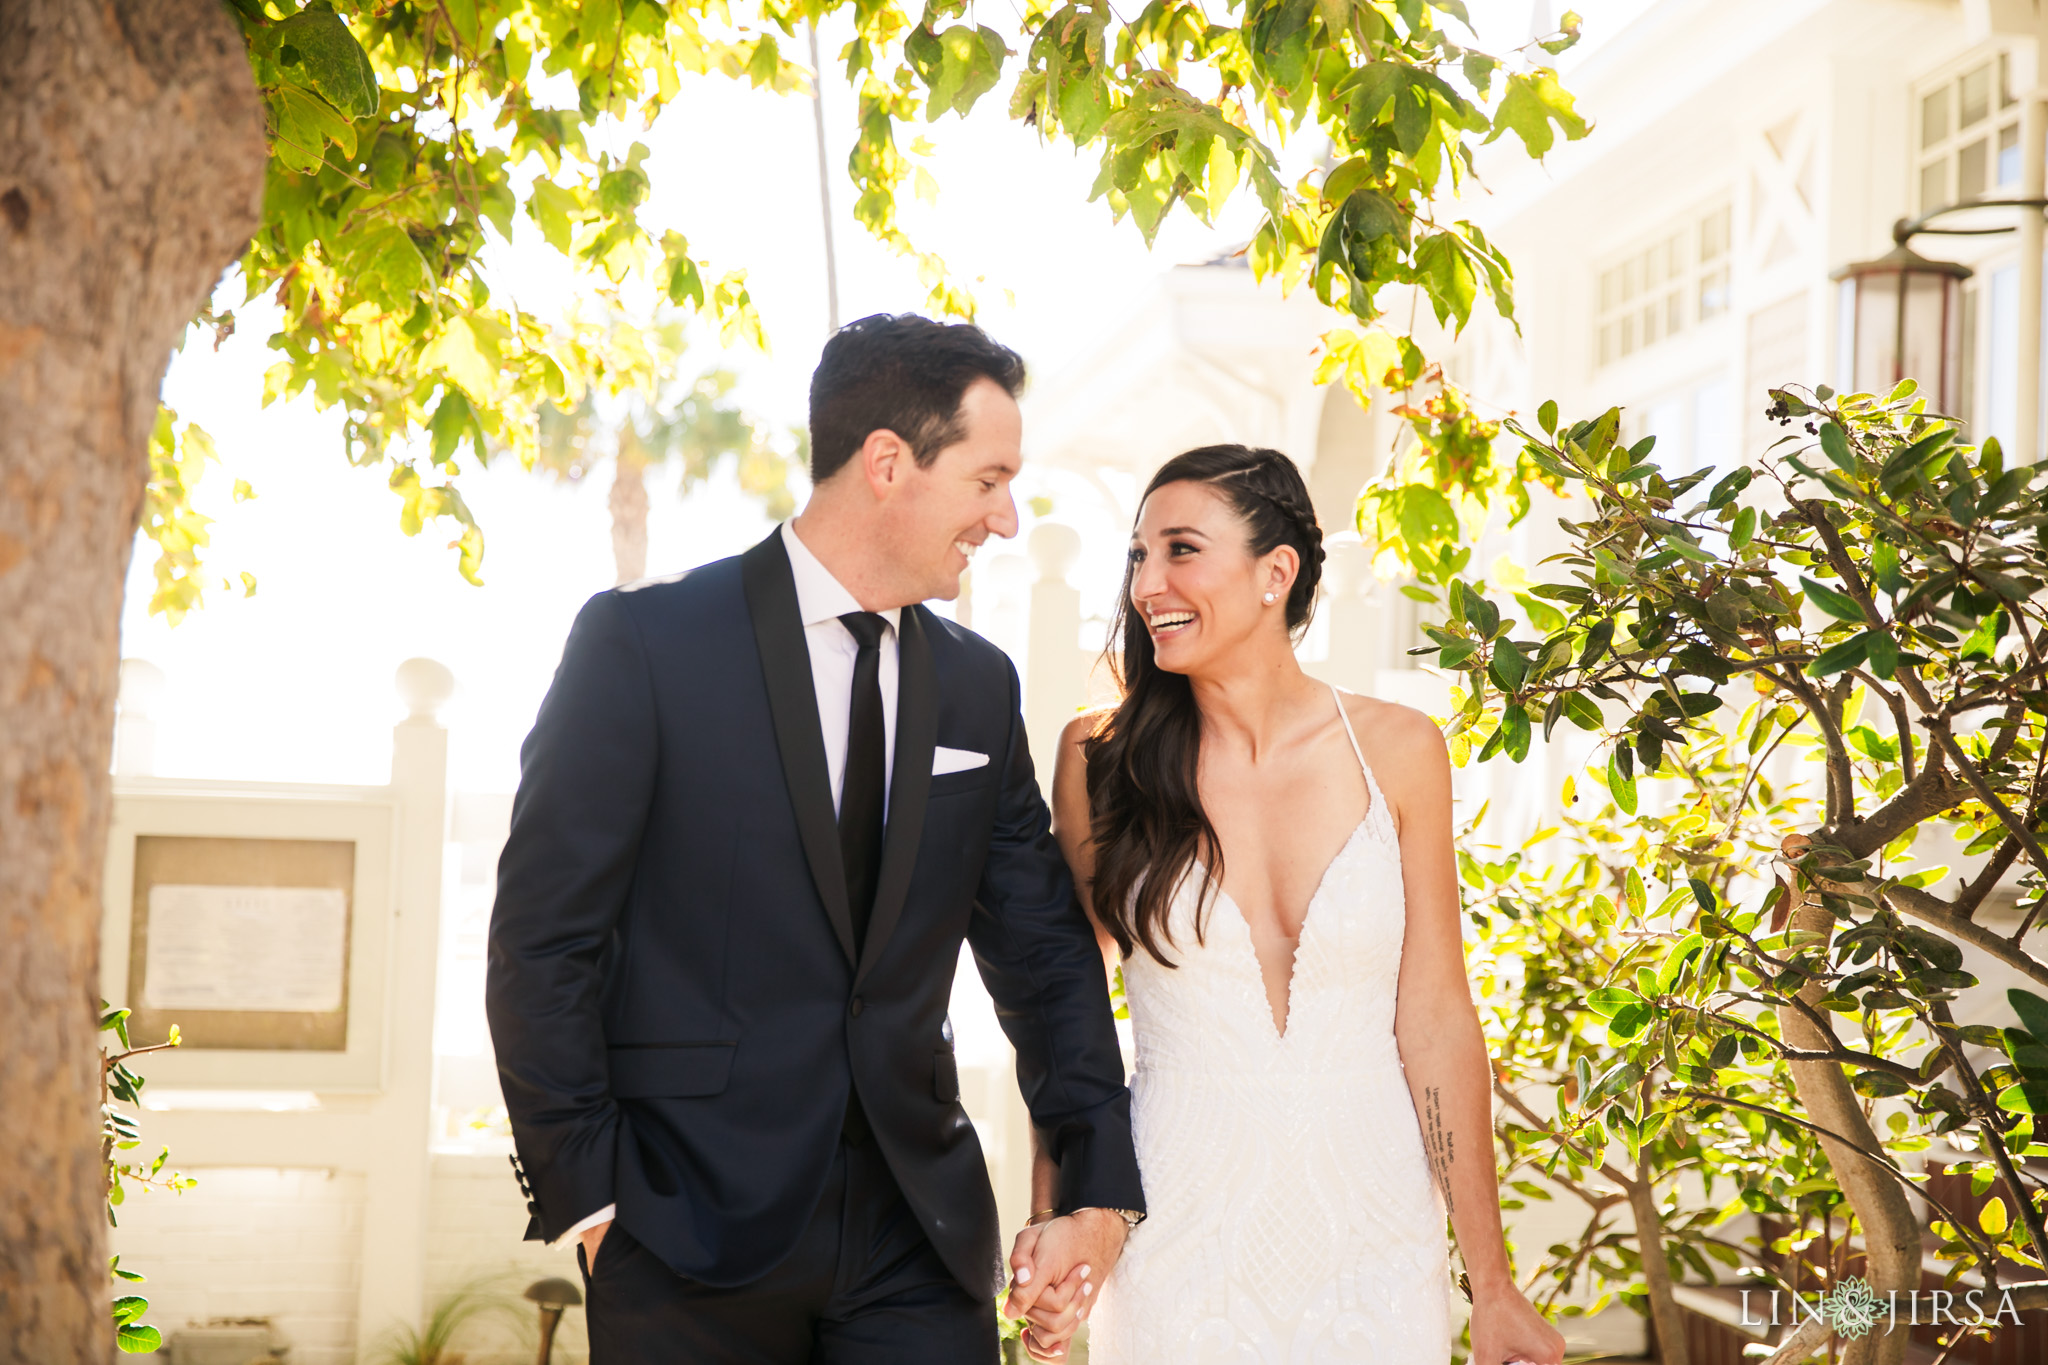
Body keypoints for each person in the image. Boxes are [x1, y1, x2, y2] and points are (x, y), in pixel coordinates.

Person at [485, 313, 1144, 1364]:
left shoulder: (977, 689)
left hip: (913, 1237)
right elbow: (543, 941)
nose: (1006, 519)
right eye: (986, 481)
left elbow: (1043, 956)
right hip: (679, 1226)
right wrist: (591, 1197)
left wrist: (1094, 1178)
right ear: (887, 462)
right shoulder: (646, 647)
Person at [1005, 445, 1566, 1364]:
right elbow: (1066, 1015)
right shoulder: (1099, 759)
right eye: (1138, 556)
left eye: (1180, 549)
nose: (1149, 583)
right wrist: (1056, 1224)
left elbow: (1434, 1020)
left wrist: (1492, 1284)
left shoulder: (1400, 750)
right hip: (1176, 1232)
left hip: (1377, 1236)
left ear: (1277, 572)